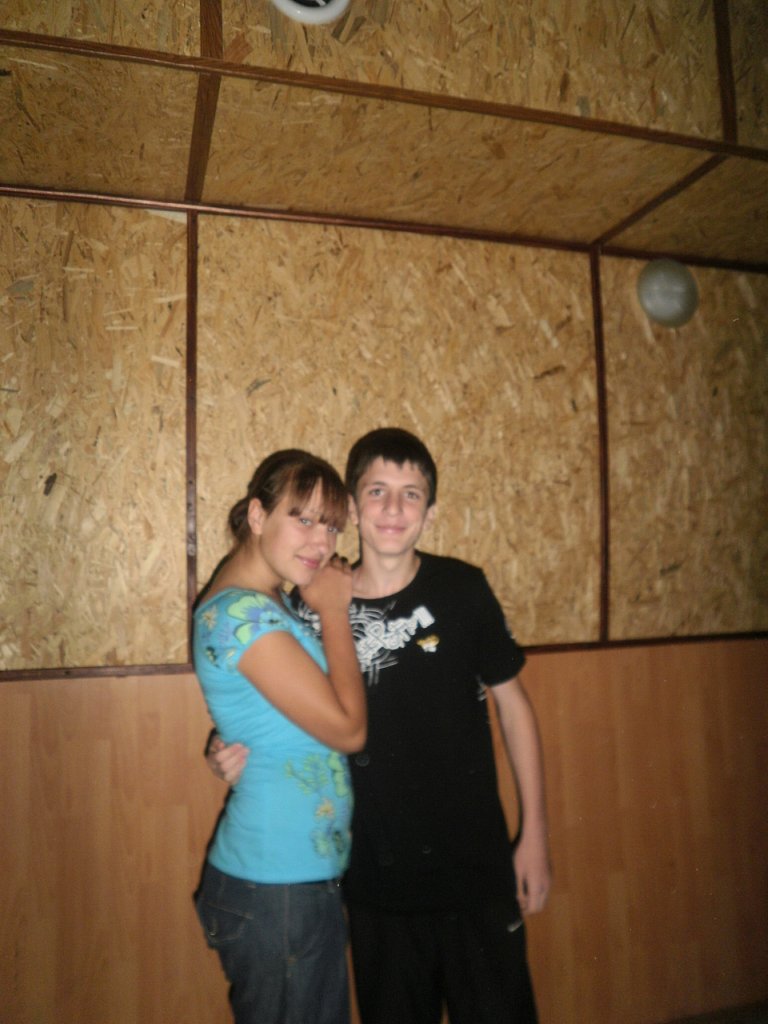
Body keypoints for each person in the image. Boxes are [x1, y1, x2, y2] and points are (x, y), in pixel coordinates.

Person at [209, 428, 551, 1024]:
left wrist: (535, 833)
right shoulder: (309, 606)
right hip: (373, 882)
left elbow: (515, 708)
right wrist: (227, 745)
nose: (393, 508)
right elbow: (274, 701)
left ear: (430, 513)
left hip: (475, 869)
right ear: (352, 507)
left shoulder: (463, 589)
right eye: (377, 491)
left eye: (411, 494)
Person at [192, 449, 366, 1024]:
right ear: (257, 515)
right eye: (304, 518)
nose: (322, 541)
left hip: (289, 881)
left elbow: (265, 712)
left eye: (332, 526)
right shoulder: (241, 614)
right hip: (277, 886)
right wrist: (334, 612)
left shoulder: (265, 603)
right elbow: (348, 731)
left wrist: (222, 744)